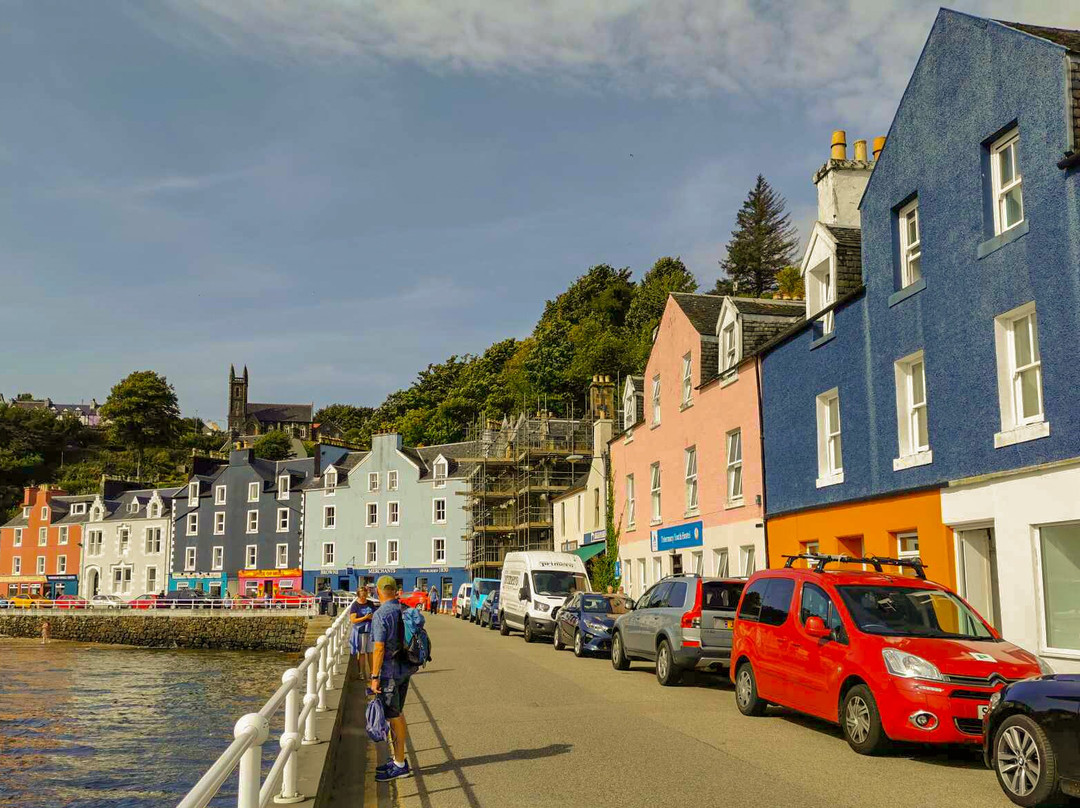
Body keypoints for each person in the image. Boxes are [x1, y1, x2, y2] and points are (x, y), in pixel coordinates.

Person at [371, 575, 417, 782]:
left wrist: (374, 677)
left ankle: (400, 764)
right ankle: (398, 759)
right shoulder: (403, 609)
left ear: (378, 591)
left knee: (394, 716)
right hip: (404, 669)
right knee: (397, 713)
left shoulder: (381, 614)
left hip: (389, 673)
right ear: (395, 590)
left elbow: (379, 648)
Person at [348, 588, 375, 684]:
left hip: (370, 630)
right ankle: (361, 673)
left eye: (365, 595)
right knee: (362, 652)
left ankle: (372, 673)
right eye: (362, 595)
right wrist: (365, 617)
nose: (364, 597)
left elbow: (374, 615)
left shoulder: (370, 603)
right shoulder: (355, 605)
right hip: (360, 630)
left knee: (371, 652)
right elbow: (353, 620)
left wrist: (372, 616)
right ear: (358, 595)